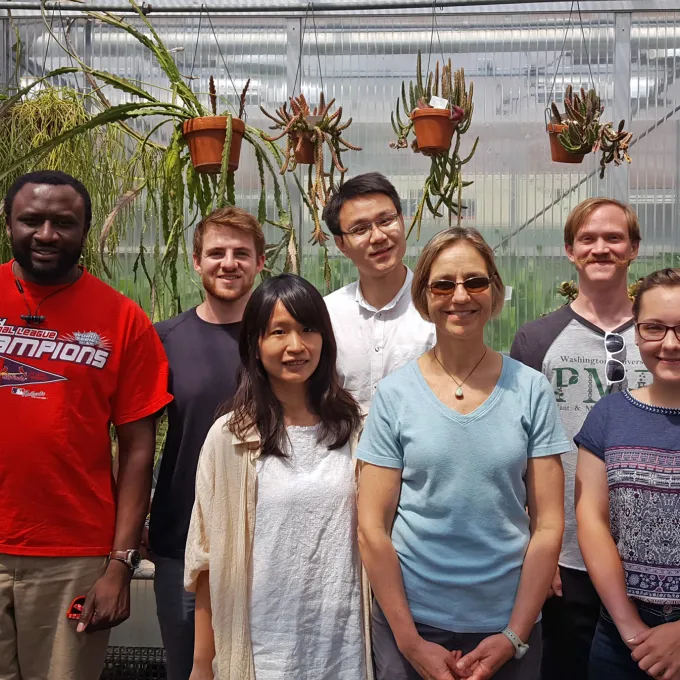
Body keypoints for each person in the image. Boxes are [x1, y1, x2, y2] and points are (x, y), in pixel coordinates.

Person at [357, 227, 568, 680]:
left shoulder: (530, 390)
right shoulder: (395, 395)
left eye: (475, 282)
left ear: (494, 291)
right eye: (443, 284)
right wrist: (410, 642)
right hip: (412, 621)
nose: (459, 296)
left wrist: (515, 634)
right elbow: (372, 527)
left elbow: (549, 523)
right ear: (423, 296)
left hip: (507, 620)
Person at [0, 170, 171, 680]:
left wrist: (120, 563)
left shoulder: (123, 320)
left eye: (63, 222)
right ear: (9, 225)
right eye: (31, 220)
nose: (46, 234)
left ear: (85, 230)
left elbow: (137, 448)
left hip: (73, 555)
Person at [184, 274, 373, 680]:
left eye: (308, 329)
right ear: (255, 344)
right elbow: (206, 559)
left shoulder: (359, 429)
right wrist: (202, 664)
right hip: (263, 654)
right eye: (279, 332)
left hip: (344, 651)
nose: (296, 345)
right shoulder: (230, 438)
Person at [510, 197, 651, 680]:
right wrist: (539, 549)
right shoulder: (537, 339)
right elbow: (522, 449)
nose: (601, 248)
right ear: (570, 250)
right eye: (587, 239)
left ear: (634, 248)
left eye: (614, 237)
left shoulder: (661, 337)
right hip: (566, 554)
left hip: (651, 557)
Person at [148, 207, 265, 680]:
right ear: (196, 261)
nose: (229, 263)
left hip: (265, 536)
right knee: (190, 668)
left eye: (242, 253)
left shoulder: (281, 339)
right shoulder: (165, 340)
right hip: (182, 538)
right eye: (216, 253)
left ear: (260, 262)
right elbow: (137, 441)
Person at [574, 268, 680, 680]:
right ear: (636, 333)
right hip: (622, 638)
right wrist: (630, 627)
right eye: (654, 328)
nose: (670, 343)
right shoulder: (609, 415)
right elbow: (591, 520)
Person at [322, 172, 435, 413]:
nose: (378, 236)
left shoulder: (437, 306)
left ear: (402, 221)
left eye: (385, 221)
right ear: (341, 244)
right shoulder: (327, 314)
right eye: (360, 229)